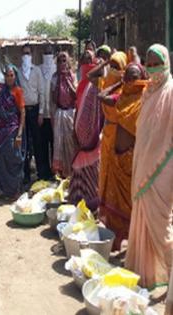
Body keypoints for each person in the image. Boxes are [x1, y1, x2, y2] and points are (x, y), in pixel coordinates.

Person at [125, 44, 173, 289]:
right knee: (144, 219)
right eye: (149, 63)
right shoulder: (148, 92)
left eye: (157, 63)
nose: (153, 68)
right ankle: (147, 275)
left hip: (163, 169)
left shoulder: (170, 91)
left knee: (161, 226)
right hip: (143, 163)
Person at [97, 63, 148, 249]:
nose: (130, 80)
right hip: (116, 157)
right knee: (115, 204)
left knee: (131, 205)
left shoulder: (144, 99)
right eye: (127, 76)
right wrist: (118, 83)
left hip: (133, 159)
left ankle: (134, 244)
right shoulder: (120, 98)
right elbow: (101, 96)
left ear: (141, 77)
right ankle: (116, 240)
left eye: (134, 76)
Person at [94, 52, 128, 227]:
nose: (114, 70)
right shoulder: (106, 83)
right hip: (107, 132)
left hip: (119, 134)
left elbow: (104, 98)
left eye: (117, 67)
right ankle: (106, 214)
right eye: (112, 67)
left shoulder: (126, 91)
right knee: (105, 173)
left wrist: (120, 82)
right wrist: (106, 63)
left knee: (117, 176)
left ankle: (118, 217)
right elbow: (90, 75)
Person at [68, 50, 103, 212]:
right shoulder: (85, 83)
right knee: (78, 167)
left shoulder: (103, 84)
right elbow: (78, 106)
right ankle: (79, 202)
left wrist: (105, 64)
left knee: (93, 171)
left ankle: (93, 205)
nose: (87, 62)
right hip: (82, 132)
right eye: (84, 59)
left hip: (97, 136)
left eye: (90, 59)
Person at [0, 65, 26, 200]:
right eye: (7, 75)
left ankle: (15, 190)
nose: (9, 78)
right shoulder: (2, 92)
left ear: (15, 76)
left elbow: (22, 113)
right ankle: (5, 190)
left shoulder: (18, 91)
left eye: (12, 75)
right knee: (1, 161)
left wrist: (19, 134)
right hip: (1, 132)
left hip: (12, 130)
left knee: (13, 160)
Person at [18, 44, 46, 182]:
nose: (26, 56)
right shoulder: (18, 72)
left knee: (37, 142)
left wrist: (41, 112)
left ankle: (41, 173)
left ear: (32, 55)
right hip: (23, 112)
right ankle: (26, 174)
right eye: (24, 53)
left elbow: (42, 93)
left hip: (35, 111)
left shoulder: (37, 71)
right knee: (25, 144)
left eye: (28, 53)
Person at [50, 52, 77, 178]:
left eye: (64, 61)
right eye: (60, 61)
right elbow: (54, 99)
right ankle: (61, 175)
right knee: (59, 145)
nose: (62, 63)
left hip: (70, 113)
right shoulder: (55, 77)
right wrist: (59, 82)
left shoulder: (72, 76)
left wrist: (67, 80)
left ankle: (72, 173)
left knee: (70, 143)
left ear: (68, 62)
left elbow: (75, 95)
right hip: (60, 113)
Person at [39, 45, 56, 181]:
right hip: (41, 115)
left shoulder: (57, 70)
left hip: (54, 115)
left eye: (50, 52)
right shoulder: (38, 70)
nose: (47, 55)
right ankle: (43, 172)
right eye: (45, 52)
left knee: (54, 145)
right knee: (42, 145)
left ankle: (54, 171)